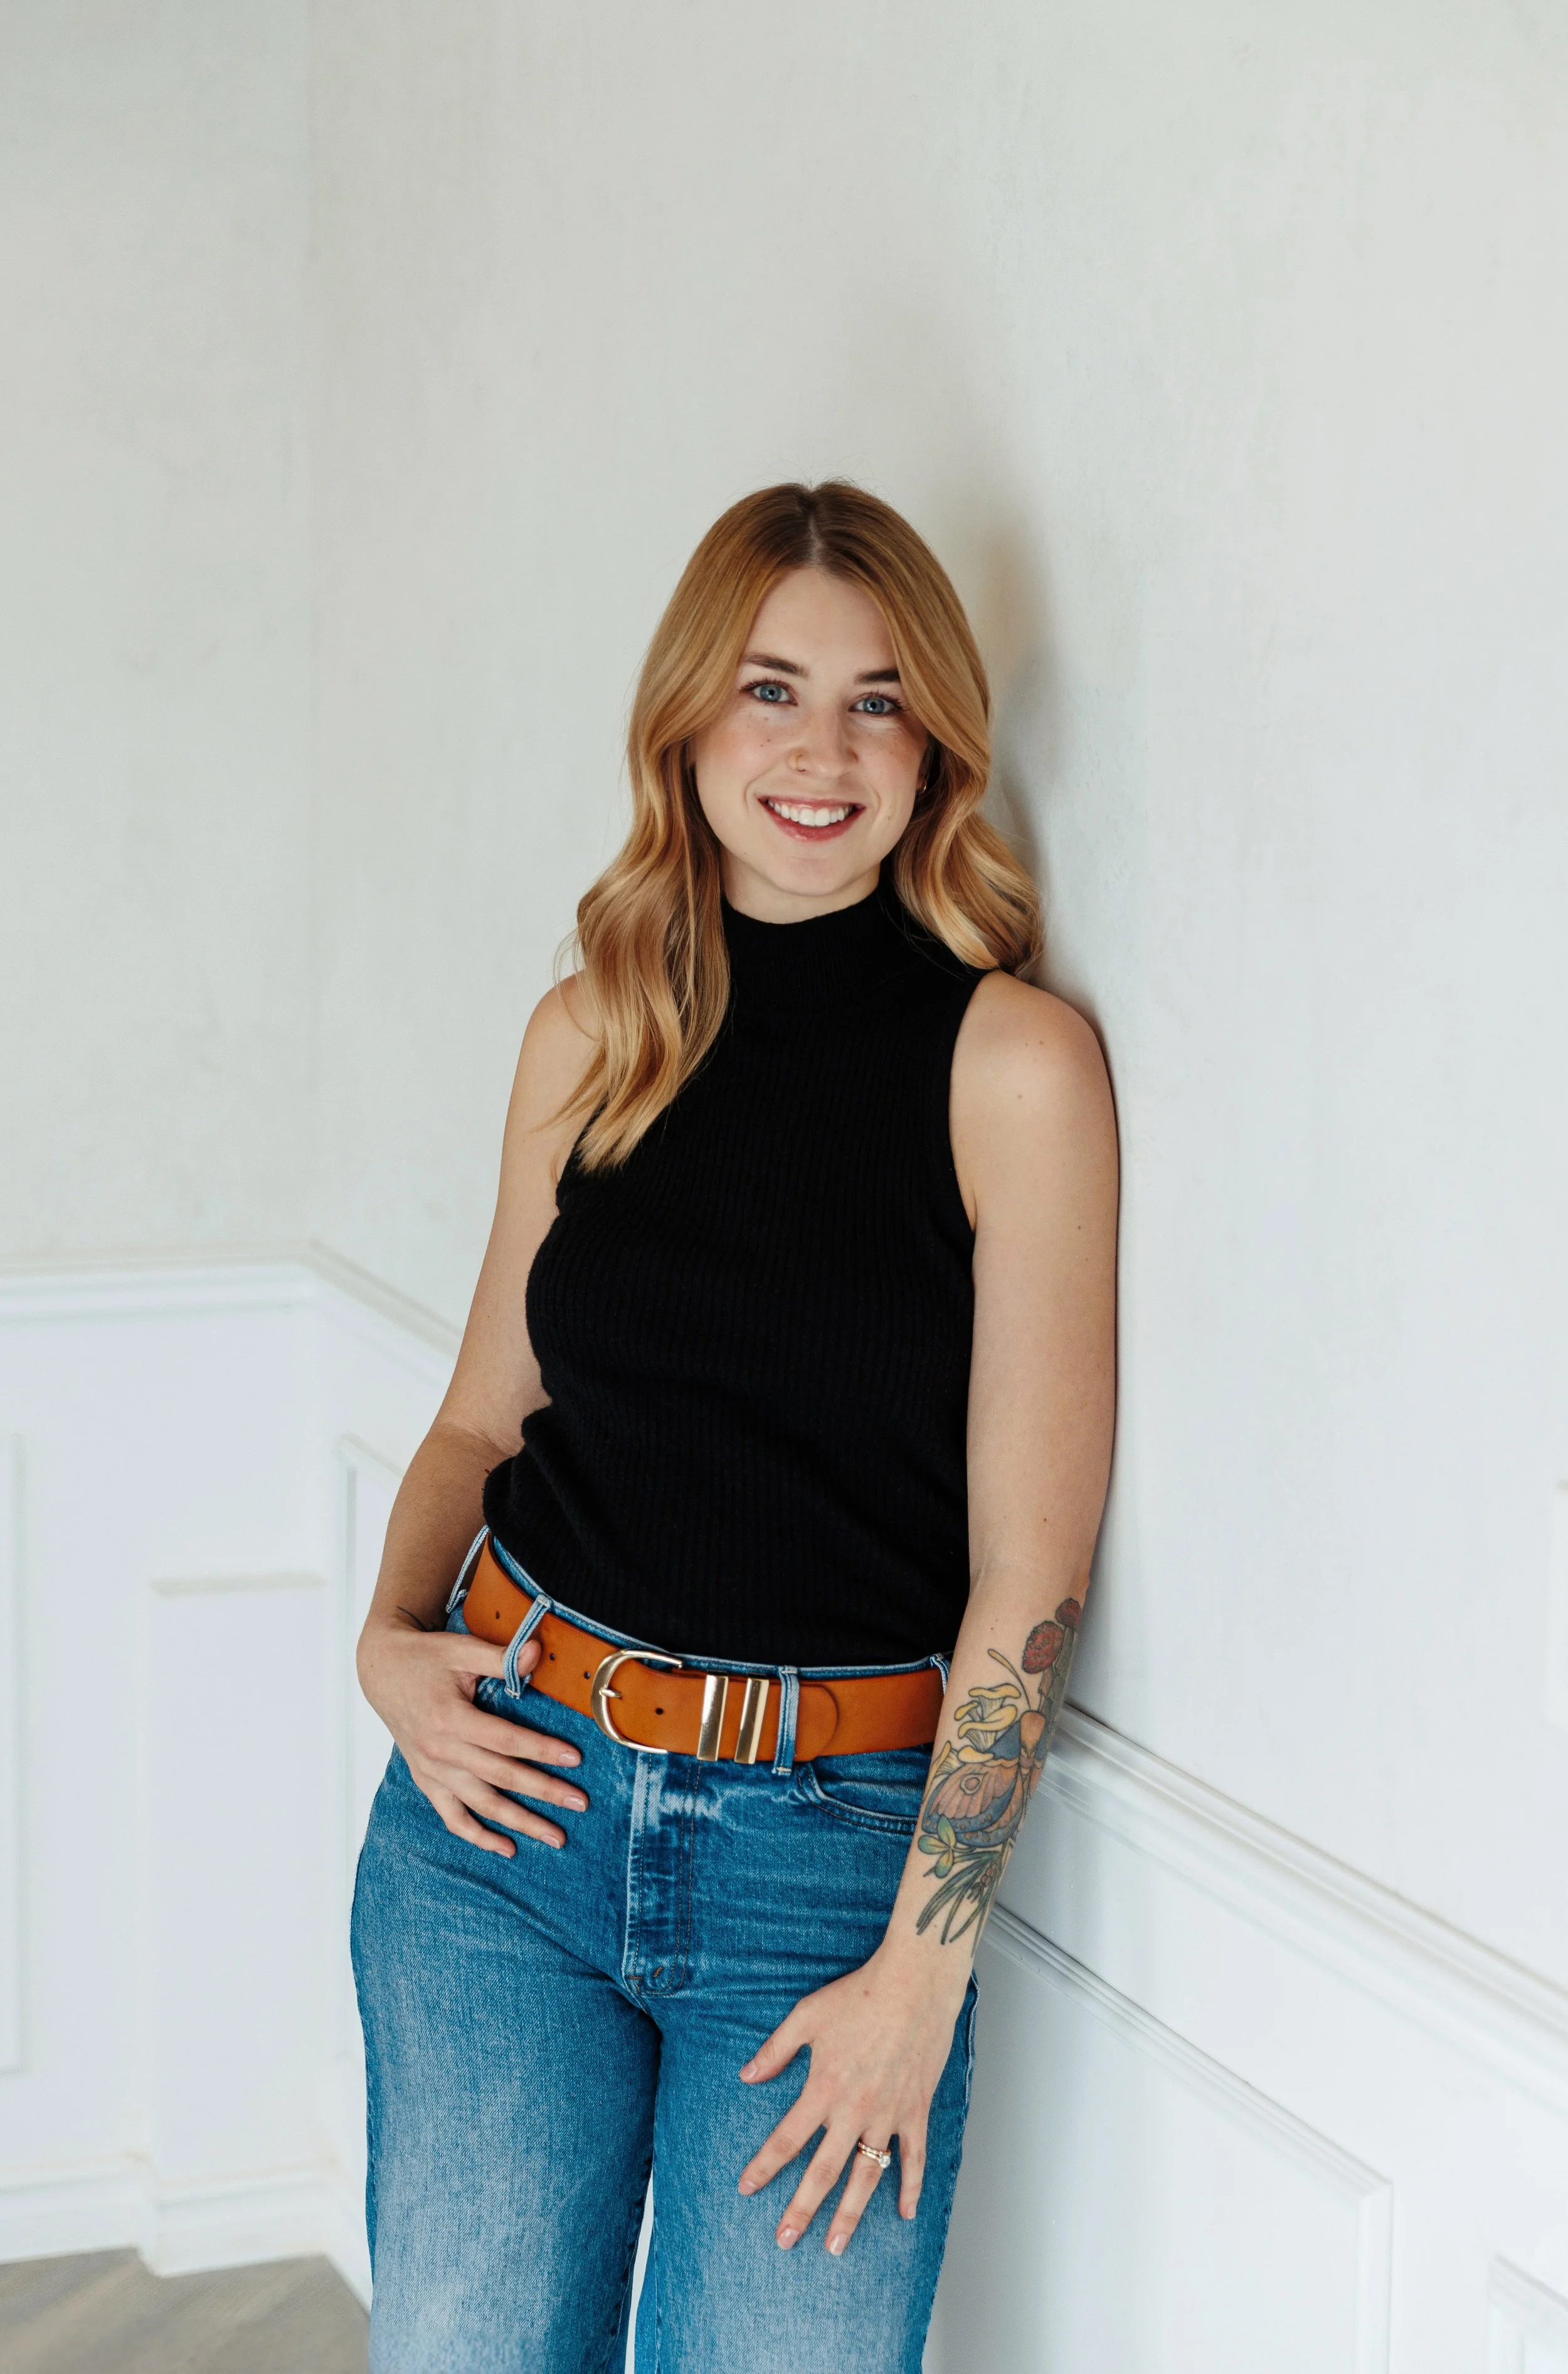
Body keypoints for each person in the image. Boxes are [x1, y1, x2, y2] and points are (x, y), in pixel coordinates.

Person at [351, 480, 1118, 2374]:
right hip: (501, 1815)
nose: (818, 749)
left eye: (876, 701)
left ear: (934, 741)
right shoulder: (594, 1030)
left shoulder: (1009, 1063)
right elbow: (479, 1421)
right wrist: (389, 1640)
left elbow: (1027, 1572)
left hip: (828, 1869)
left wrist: (920, 1975)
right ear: (685, 720)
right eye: (770, 689)